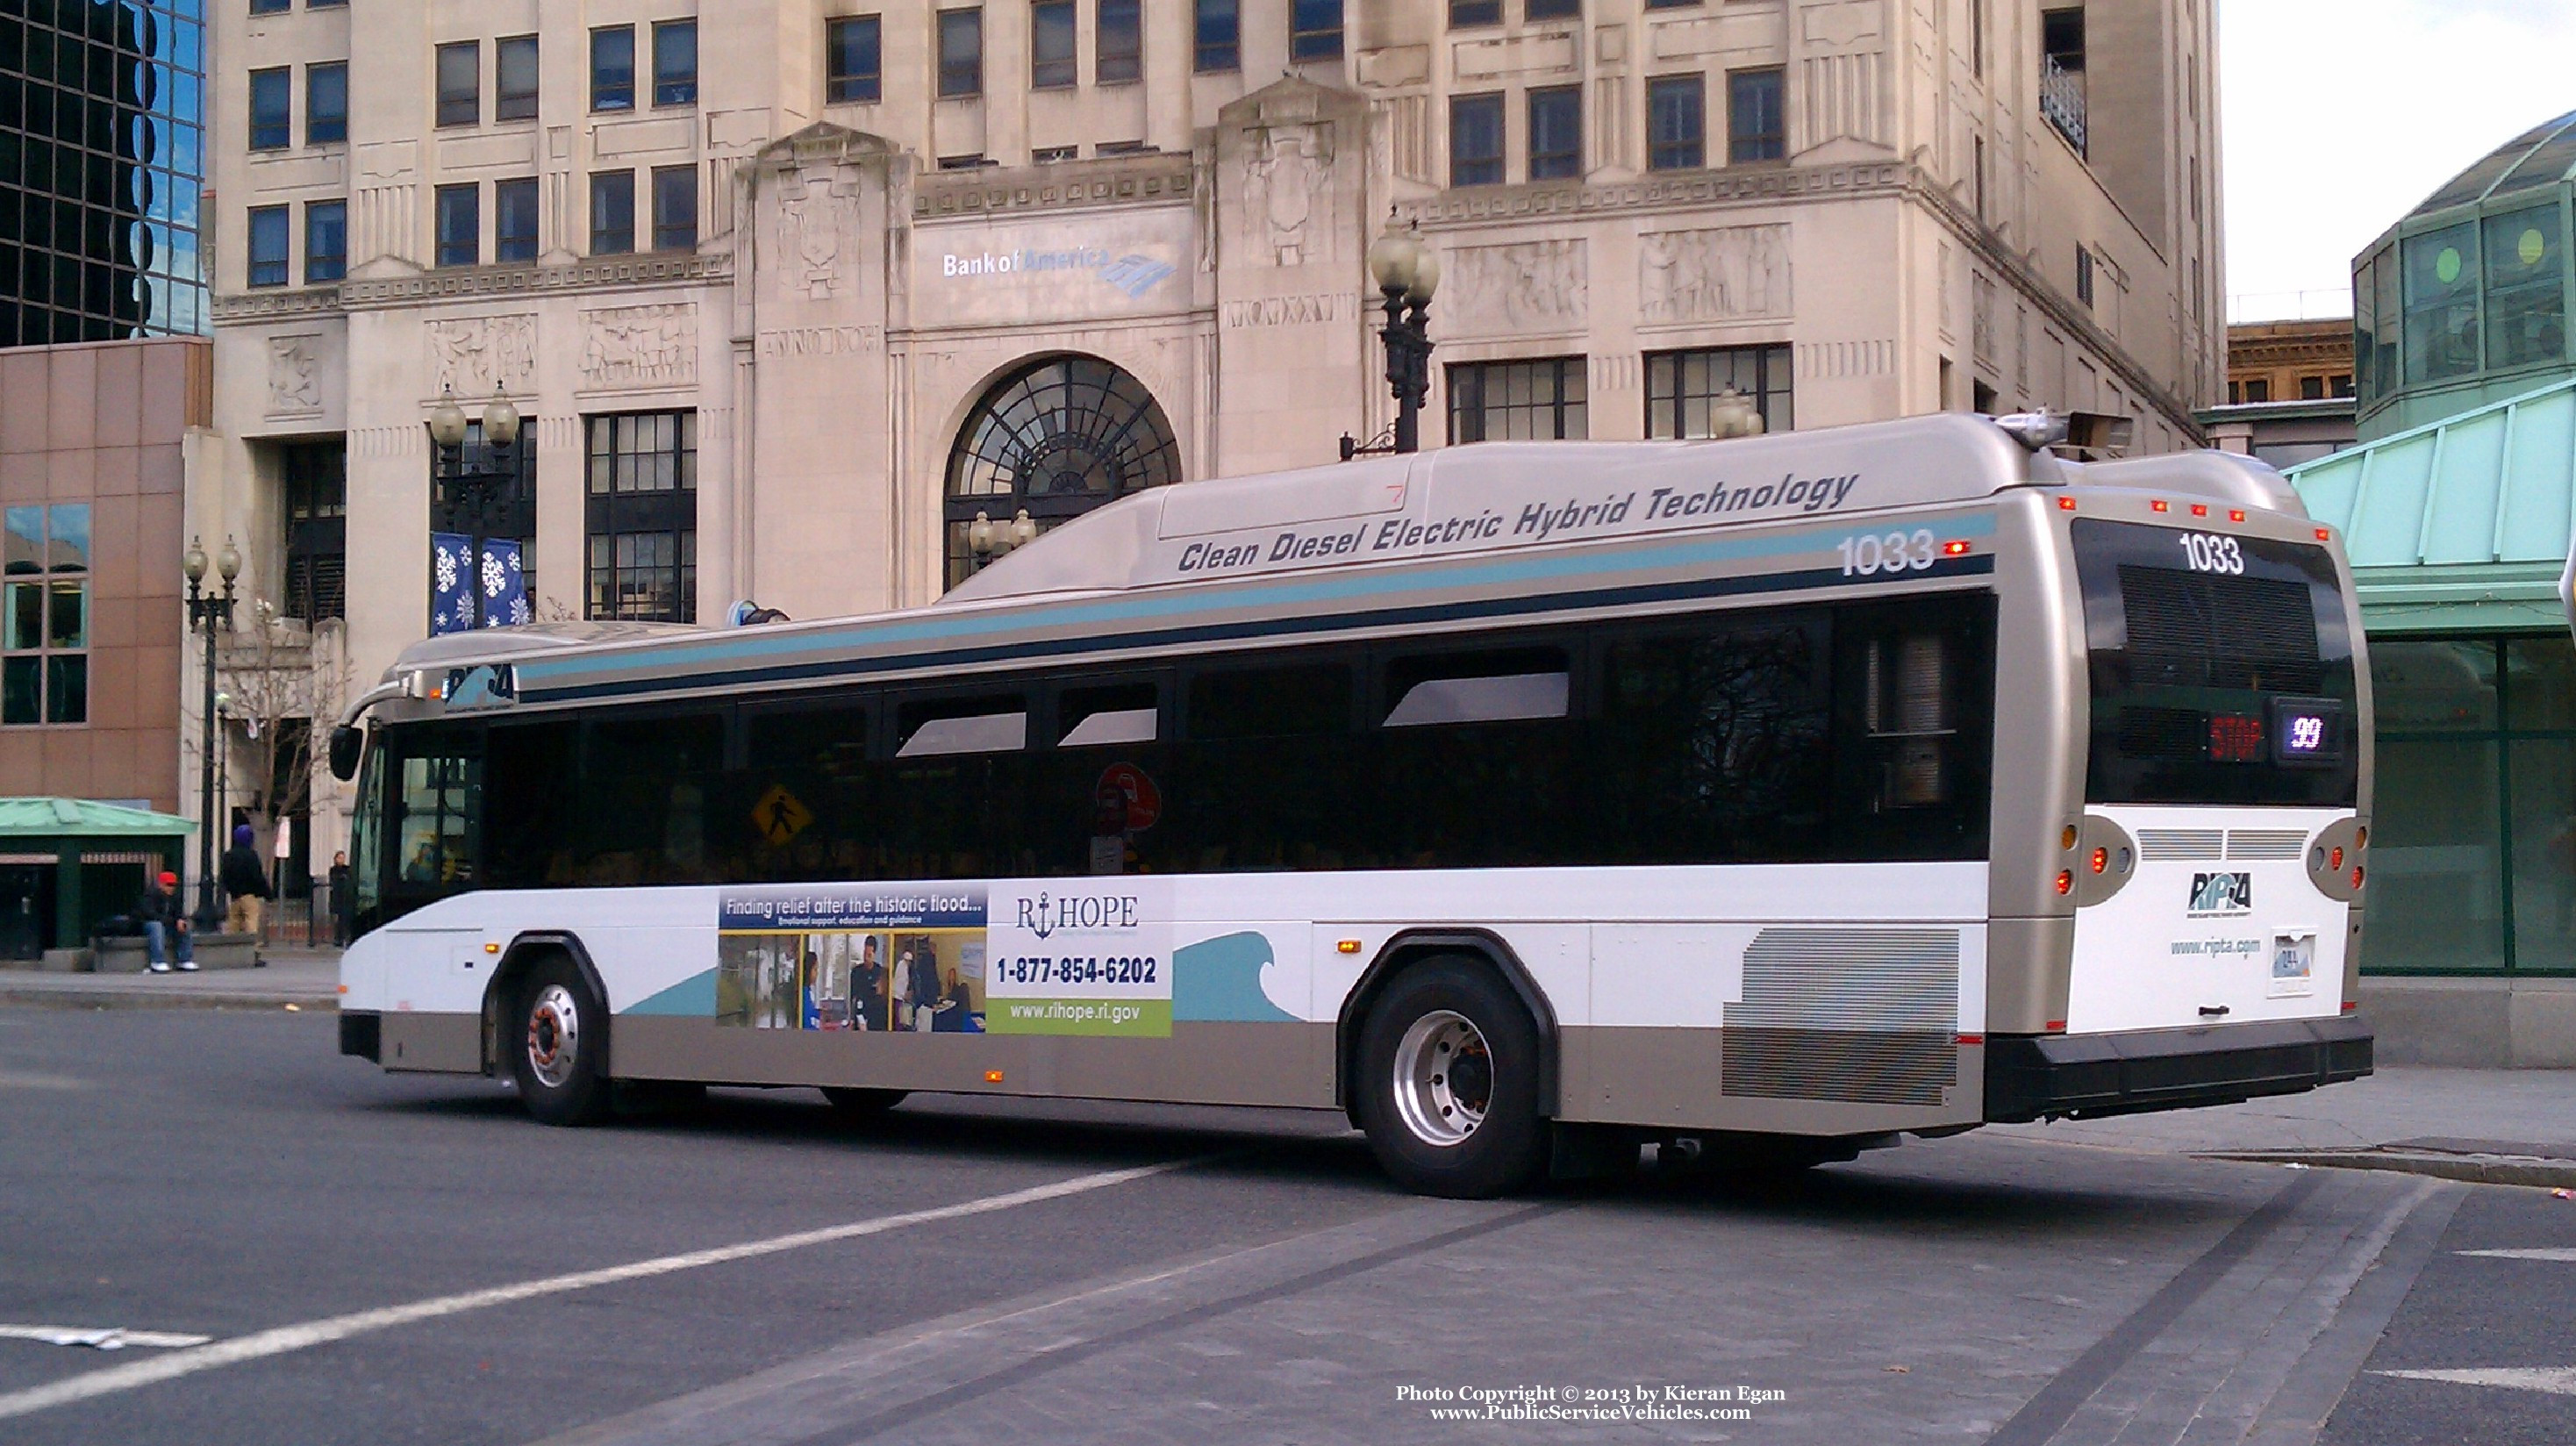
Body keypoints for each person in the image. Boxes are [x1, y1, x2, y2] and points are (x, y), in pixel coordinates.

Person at [220, 823, 273, 938]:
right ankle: (253, 951)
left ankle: (232, 951)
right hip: (250, 896)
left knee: (233, 926)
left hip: (234, 897)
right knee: (252, 926)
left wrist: (232, 890)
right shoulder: (251, 856)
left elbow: (224, 877)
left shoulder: (228, 855)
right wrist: (267, 894)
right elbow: (257, 877)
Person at [138, 870, 195, 973]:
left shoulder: (175, 897)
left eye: (174, 885)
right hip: (148, 924)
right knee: (156, 926)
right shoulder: (150, 895)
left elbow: (179, 912)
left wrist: (180, 920)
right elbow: (150, 914)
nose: (172, 888)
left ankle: (184, 959)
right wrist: (172, 921)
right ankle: (157, 960)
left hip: (166, 924)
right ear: (160, 884)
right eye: (169, 885)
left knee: (184, 926)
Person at [326, 851, 353, 946]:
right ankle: (338, 938)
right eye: (339, 858)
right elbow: (334, 879)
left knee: (345, 919)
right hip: (337, 897)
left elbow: (350, 878)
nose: (341, 860)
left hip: (346, 897)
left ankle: (345, 937)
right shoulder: (333, 869)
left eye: (343, 858)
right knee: (338, 919)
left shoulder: (347, 869)